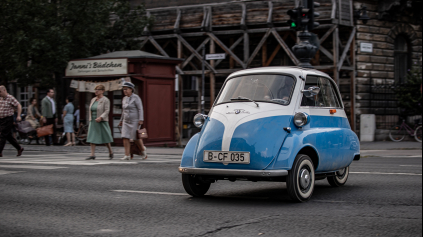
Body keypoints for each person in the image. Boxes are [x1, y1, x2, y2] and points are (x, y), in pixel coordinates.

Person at [119, 82, 147, 160]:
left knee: (136, 137)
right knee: (125, 137)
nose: (125, 91)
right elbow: (123, 110)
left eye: (126, 89)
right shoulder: (124, 99)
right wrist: (121, 120)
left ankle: (143, 150)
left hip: (135, 120)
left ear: (131, 89)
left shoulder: (136, 97)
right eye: (123, 89)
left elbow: (140, 109)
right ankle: (127, 155)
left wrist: (141, 119)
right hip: (126, 120)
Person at [86, 84, 114, 160]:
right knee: (92, 136)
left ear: (102, 91)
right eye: (95, 89)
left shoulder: (105, 100)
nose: (96, 91)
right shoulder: (93, 99)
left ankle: (110, 151)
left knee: (105, 137)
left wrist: (101, 117)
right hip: (93, 120)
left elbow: (107, 110)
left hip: (101, 120)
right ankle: (92, 154)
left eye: (98, 89)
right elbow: (91, 109)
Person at [0, 85, 24, 157]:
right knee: (8, 136)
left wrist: (18, 115)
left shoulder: (10, 98)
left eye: (0, 92)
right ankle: (19, 148)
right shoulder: (1, 98)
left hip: (8, 119)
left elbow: (18, 105)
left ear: (4, 90)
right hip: (1, 119)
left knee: (3, 135)